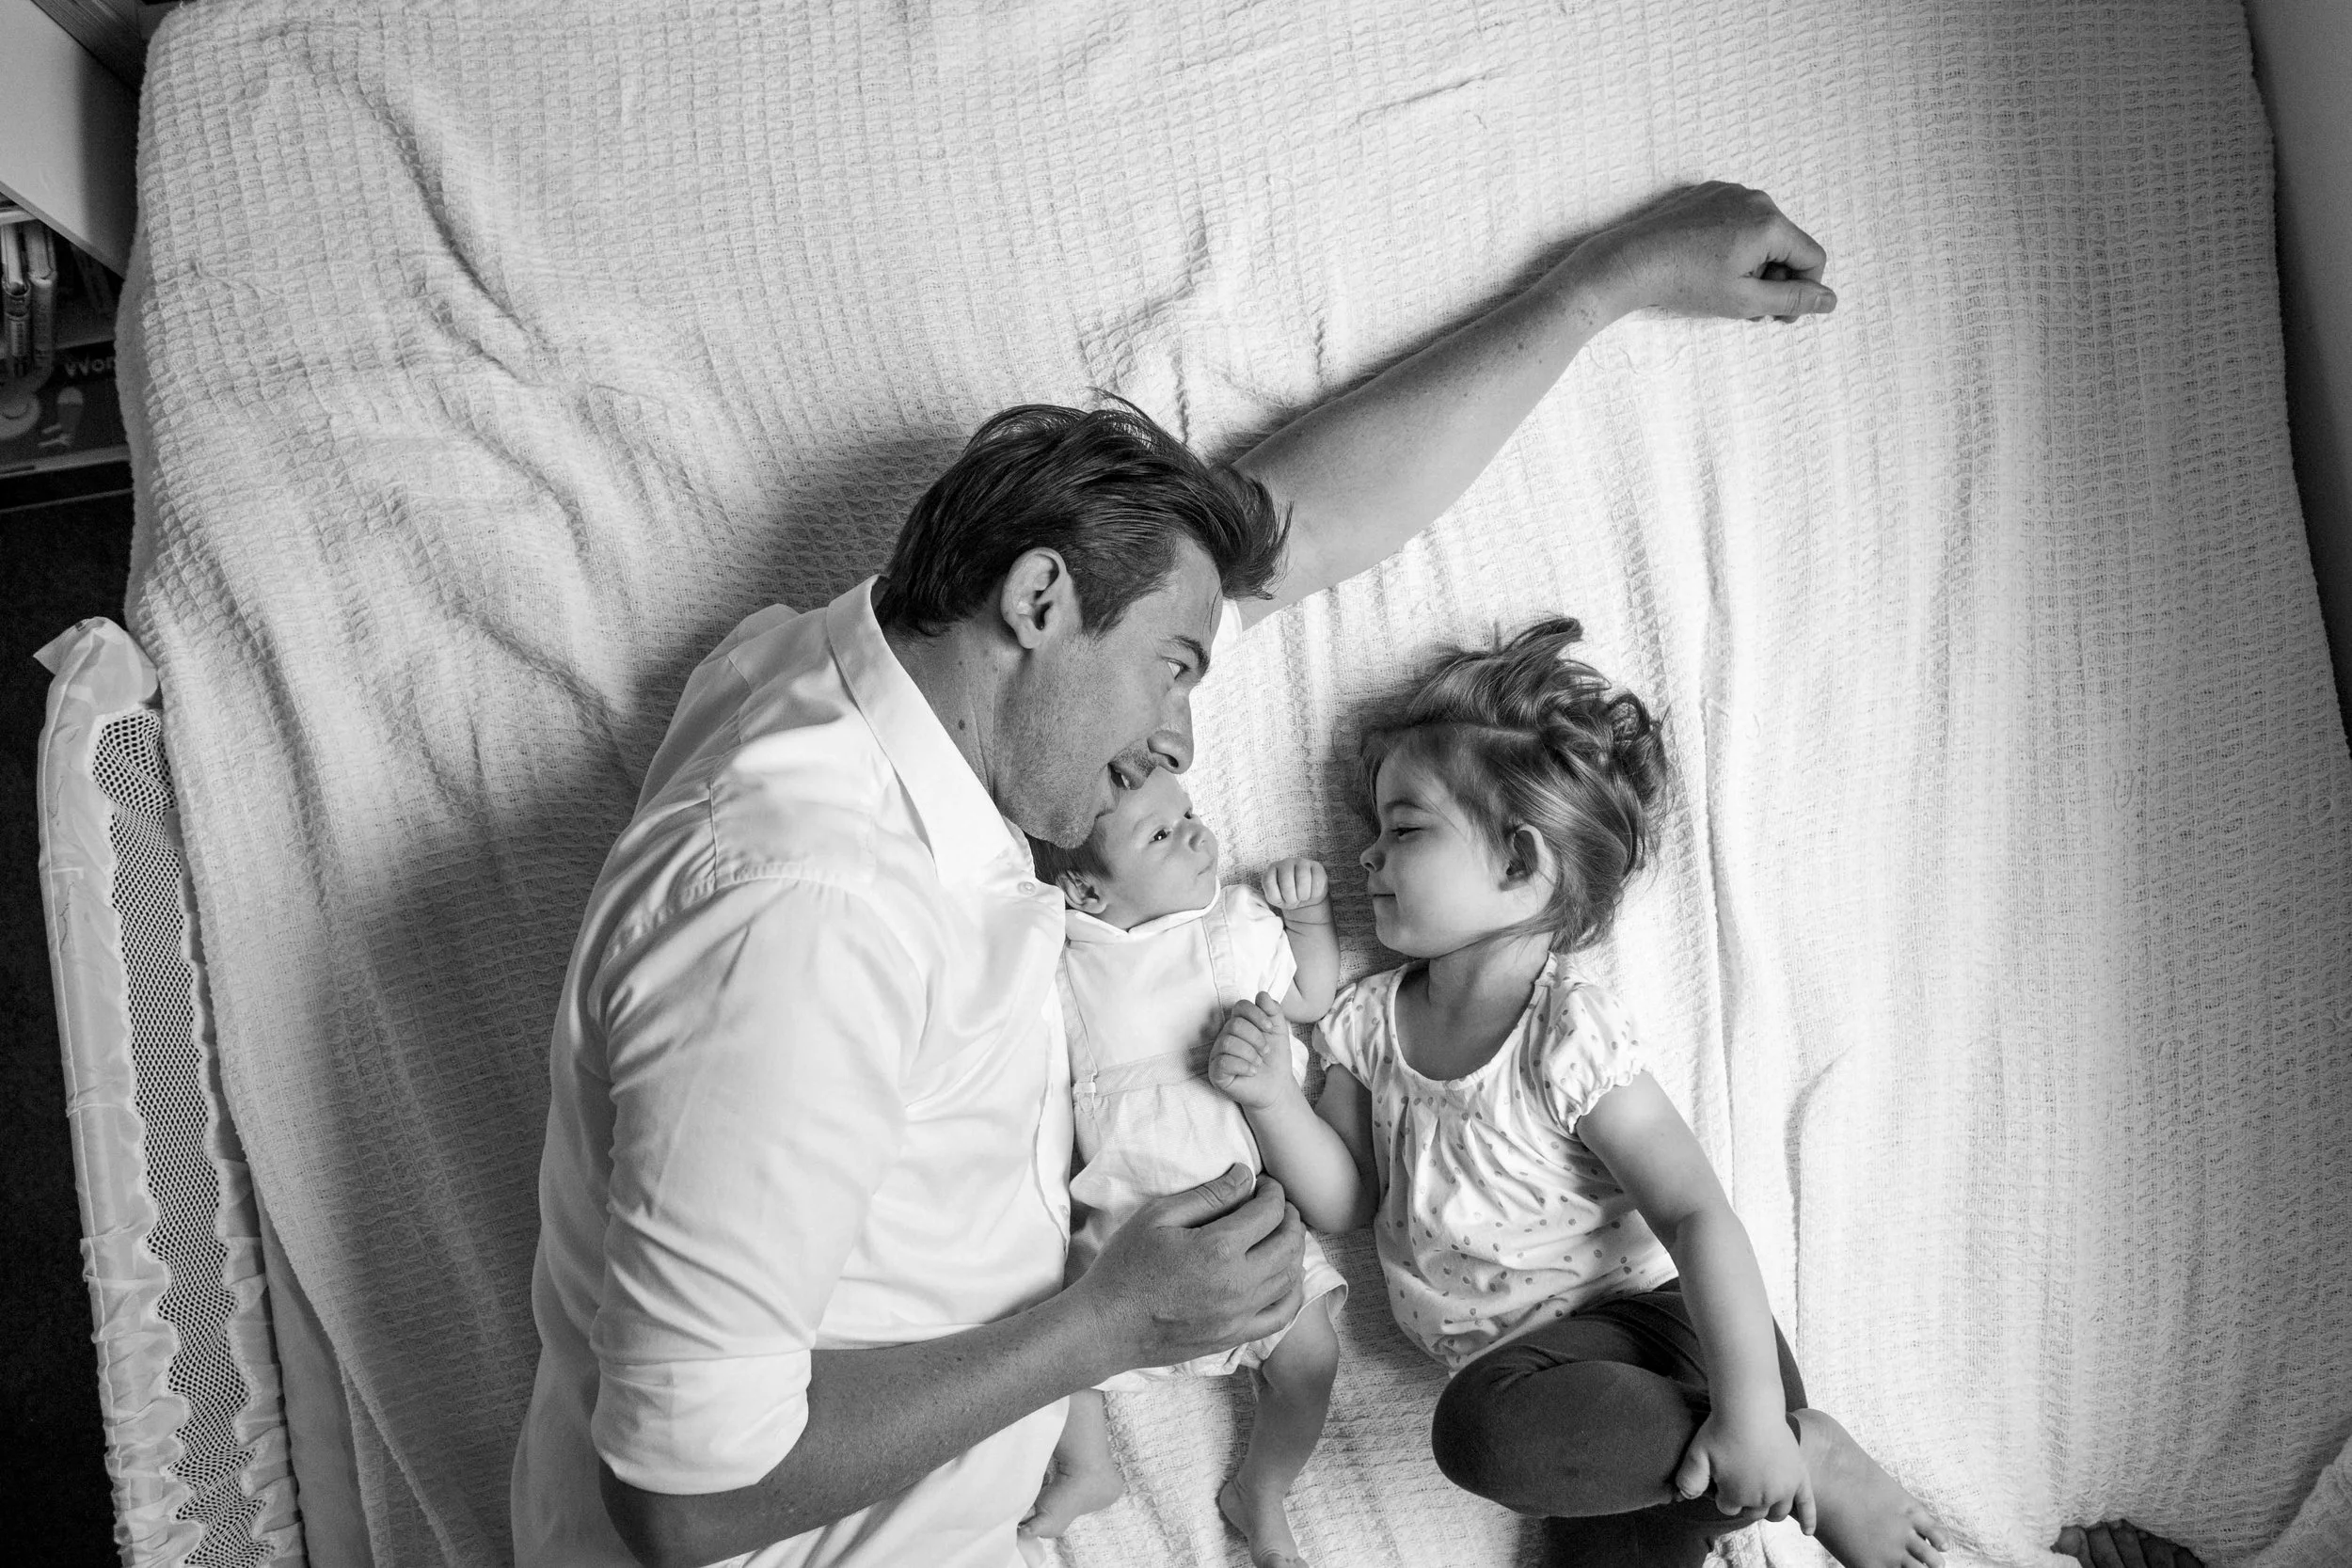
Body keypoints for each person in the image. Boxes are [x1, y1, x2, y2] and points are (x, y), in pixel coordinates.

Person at [510, 182, 1842, 1568]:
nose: (1186, 739)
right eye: (1177, 667)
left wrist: (1602, 284)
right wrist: (1100, 1329)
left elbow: (1296, 533)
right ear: (1037, 600)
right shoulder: (806, 909)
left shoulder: (835, 674)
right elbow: (686, 1496)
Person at [1206, 618, 1947, 1568]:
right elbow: (1347, 1197)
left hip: (1673, 1349)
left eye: (1405, 829)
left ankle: (1803, 1449)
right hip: (1584, 1433)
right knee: (1524, 1453)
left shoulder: (1564, 1032)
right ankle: (1744, 1473)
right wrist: (1274, 1098)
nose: (1367, 856)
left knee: (1478, 1430)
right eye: (1373, 831)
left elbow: (1693, 1210)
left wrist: (1754, 1408)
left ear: (1520, 862)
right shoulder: (1366, 1024)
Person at [1017, 768, 1346, 1567]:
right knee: (1048, 1340)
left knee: (1311, 1358)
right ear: (1084, 890)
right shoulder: (1055, 958)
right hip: (1119, 1240)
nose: (1200, 833)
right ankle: (1089, 1466)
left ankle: (1262, 1487)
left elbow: (1311, 993)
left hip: (1247, 1227)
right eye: (1162, 834)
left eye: (1191, 812)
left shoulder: (1232, 924)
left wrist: (1308, 916)